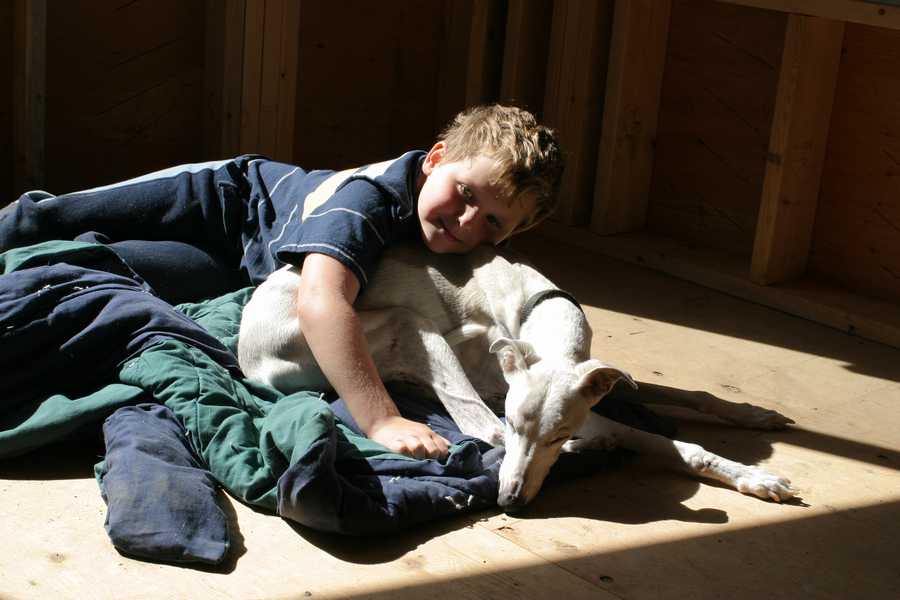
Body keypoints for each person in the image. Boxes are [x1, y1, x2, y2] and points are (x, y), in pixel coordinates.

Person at [0, 104, 564, 460]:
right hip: (219, 199)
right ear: (435, 159)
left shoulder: (464, 239)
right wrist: (380, 417)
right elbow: (320, 301)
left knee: (100, 265)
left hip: (238, 267)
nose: (466, 221)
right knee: (49, 220)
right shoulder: (366, 202)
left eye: (493, 221)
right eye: (464, 193)